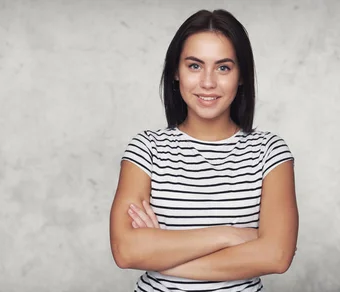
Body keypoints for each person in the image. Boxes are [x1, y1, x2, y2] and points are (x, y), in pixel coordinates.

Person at [108, 9, 298, 292]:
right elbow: (126, 251)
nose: (208, 82)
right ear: (176, 71)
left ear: (241, 75)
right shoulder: (146, 149)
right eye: (194, 66)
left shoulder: (269, 152)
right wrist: (231, 235)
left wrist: (162, 253)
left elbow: (277, 256)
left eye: (223, 67)